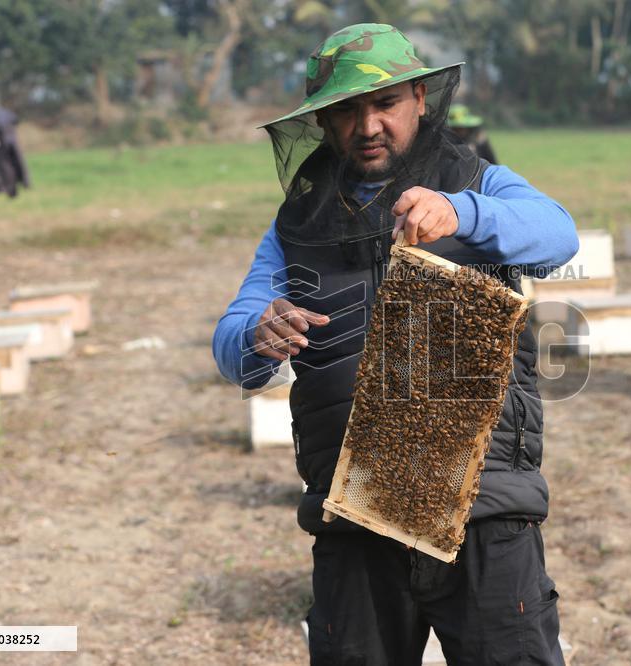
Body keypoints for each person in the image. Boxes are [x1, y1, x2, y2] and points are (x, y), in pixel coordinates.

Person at [213, 23, 578, 665]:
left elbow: (557, 233)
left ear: (418, 100)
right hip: (354, 514)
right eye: (347, 110)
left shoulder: (479, 181)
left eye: (383, 104)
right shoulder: (296, 226)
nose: (368, 125)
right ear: (324, 123)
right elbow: (231, 339)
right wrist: (256, 332)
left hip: (483, 507)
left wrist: (463, 213)